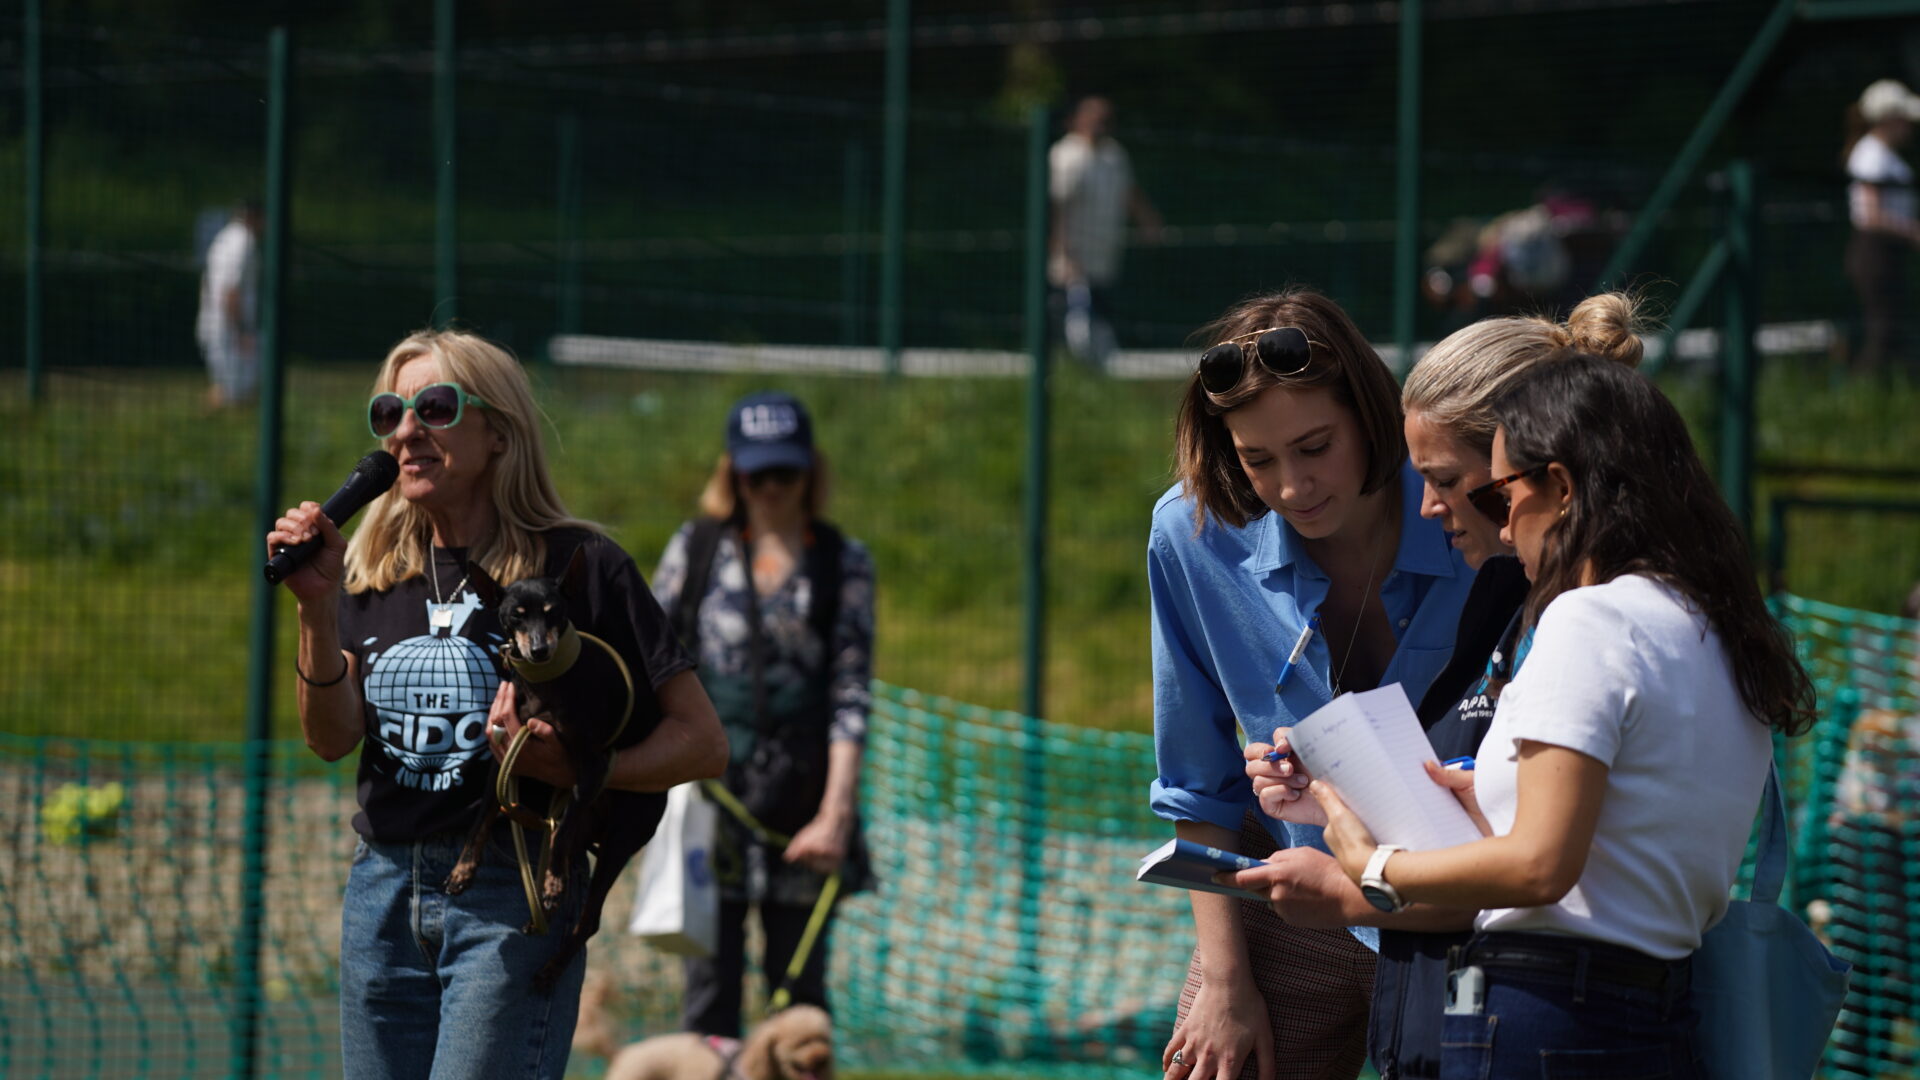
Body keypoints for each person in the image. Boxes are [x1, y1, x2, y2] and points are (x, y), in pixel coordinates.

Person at [1301, 353, 1818, 1076]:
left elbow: (1542, 865)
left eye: (1502, 496)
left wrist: (1376, 866)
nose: (1504, 528)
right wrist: (1490, 801)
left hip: (1541, 1012)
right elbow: (1630, 839)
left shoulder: (1588, 620)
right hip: (1661, 1016)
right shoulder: (1717, 631)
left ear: (1564, 489)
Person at [265, 329, 728, 1079]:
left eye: (434, 407)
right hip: (381, 889)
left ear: (499, 433)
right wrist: (314, 609)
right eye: (388, 414)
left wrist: (583, 770)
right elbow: (329, 738)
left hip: (513, 890)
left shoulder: (581, 569)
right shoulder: (371, 569)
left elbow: (703, 742)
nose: (405, 432)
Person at [1235, 294, 1648, 1080]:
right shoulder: (1519, 603)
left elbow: (1538, 871)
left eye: (1447, 479)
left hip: (1549, 1026)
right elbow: (1508, 820)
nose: (1428, 507)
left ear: (1535, 469)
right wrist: (1332, 797)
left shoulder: (1591, 623)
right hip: (1478, 1021)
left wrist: (1357, 884)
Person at [1149, 288, 1476, 1080]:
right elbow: (1198, 781)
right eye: (1257, 460)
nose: (1292, 487)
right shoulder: (1191, 535)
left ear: (1371, 416)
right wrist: (1224, 982)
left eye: (1315, 446)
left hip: (1466, 899)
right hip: (1292, 893)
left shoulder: (1474, 513)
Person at [652, 390, 876, 1039]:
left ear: (810, 472)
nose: (772, 488)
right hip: (710, 802)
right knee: (708, 994)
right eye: (757, 474)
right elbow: (651, 662)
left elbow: (851, 696)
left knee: (798, 999)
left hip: (803, 808)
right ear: (733, 474)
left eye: (786, 472)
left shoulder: (843, 561)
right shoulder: (697, 548)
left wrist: (835, 817)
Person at [1050, 95, 1163, 369]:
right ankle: (1068, 368)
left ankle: (1095, 372)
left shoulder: (1114, 155)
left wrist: (1148, 221)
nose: (1099, 125)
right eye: (1093, 118)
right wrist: (1062, 250)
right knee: (1071, 316)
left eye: (1105, 119)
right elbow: (1057, 208)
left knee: (1099, 311)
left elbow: (1128, 192)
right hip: (1073, 256)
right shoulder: (1066, 156)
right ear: (1077, 120)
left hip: (1105, 252)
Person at [1845, 79, 1920, 373]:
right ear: (1889, 119)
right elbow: (1871, 213)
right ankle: (1863, 391)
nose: (1910, 126)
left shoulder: (1883, 155)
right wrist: (1913, 231)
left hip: (1888, 251)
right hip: (1874, 251)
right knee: (1883, 332)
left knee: (1892, 330)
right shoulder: (1872, 155)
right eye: (1905, 119)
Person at [196, 199, 263, 409]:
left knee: (228, 388)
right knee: (237, 394)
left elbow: (207, 282)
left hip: (213, 321)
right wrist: (242, 330)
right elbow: (231, 290)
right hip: (229, 327)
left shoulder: (223, 238)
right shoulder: (244, 242)